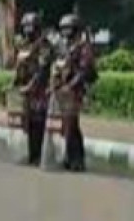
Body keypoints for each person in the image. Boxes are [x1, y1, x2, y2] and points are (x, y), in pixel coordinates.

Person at [52, 14, 96, 172]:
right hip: (64, 90)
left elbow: (84, 70)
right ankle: (70, 157)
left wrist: (71, 85)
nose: (65, 32)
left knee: (71, 123)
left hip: (76, 90)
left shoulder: (84, 47)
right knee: (67, 124)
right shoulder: (65, 46)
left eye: (68, 28)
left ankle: (77, 159)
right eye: (63, 29)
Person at [12, 12, 54, 165]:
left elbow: (43, 69)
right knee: (28, 123)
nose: (27, 31)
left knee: (39, 122)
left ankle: (40, 155)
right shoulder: (23, 45)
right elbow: (19, 68)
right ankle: (32, 154)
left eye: (30, 27)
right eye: (25, 27)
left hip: (40, 89)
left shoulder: (44, 45)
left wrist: (31, 86)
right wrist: (14, 84)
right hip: (26, 90)